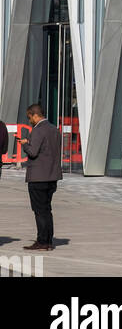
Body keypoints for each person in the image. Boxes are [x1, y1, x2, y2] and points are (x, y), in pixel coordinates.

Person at [21, 103, 62, 251]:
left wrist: (25, 144)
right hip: (52, 176)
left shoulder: (37, 130)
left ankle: (42, 241)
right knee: (46, 209)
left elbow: (33, 152)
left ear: (36, 115)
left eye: (30, 117)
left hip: (38, 177)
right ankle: (48, 241)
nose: (29, 120)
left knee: (39, 211)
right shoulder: (54, 129)